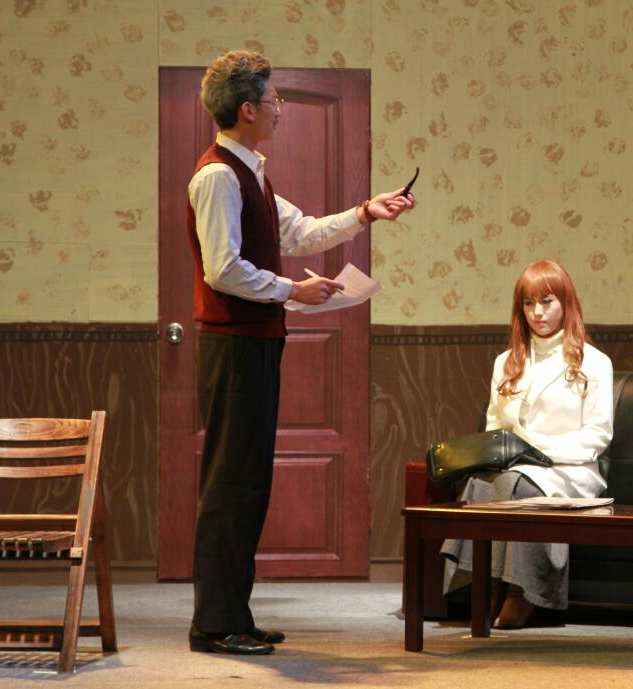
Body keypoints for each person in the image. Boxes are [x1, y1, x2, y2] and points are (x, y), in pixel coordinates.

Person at [186, 50, 415, 655]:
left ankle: (232, 614)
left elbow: (301, 231)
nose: (280, 109)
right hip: (233, 347)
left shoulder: (252, 173)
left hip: (255, 343)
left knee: (248, 482)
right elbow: (223, 269)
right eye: (274, 100)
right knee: (231, 485)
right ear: (248, 109)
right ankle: (214, 623)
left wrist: (365, 213)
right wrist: (293, 290)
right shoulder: (217, 177)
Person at [441, 259, 614, 629]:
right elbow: (494, 426)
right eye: (529, 303)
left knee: (517, 484)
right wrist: (507, 452)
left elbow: (597, 436)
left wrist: (537, 450)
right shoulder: (506, 362)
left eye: (547, 302)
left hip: (568, 469)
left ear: (566, 303)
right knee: (479, 483)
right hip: (514, 466)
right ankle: (489, 583)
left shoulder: (594, 362)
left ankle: (522, 591)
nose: (538, 312)